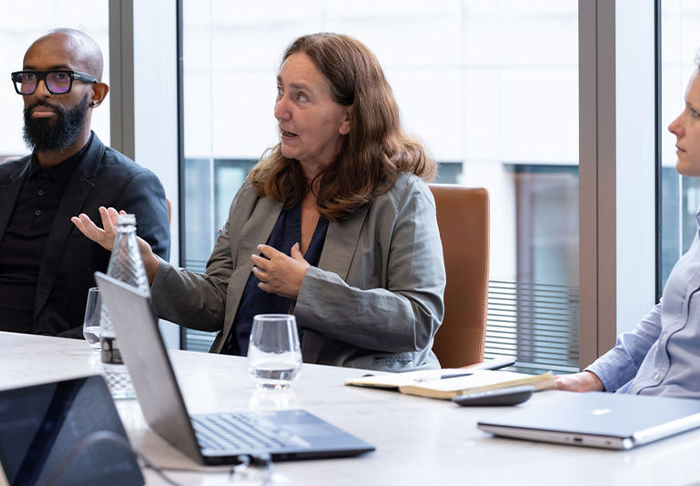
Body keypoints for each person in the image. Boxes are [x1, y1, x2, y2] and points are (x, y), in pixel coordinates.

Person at [75, 32, 446, 371]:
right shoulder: (261, 190)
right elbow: (220, 303)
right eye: (280, 91)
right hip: (243, 385)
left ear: (347, 118)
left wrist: (308, 288)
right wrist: (153, 269)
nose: (279, 110)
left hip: (345, 397)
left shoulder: (403, 197)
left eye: (300, 97)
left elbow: (418, 321)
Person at [557, 40, 700, 411]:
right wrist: (593, 379)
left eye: (696, 114)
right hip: (635, 416)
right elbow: (671, 319)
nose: (674, 126)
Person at [0, 28, 170, 337]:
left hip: (63, 370)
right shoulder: (3, 181)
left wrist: (36, 358)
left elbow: (133, 317)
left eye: (60, 77)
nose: (40, 91)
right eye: (29, 78)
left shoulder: (131, 187)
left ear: (97, 94)